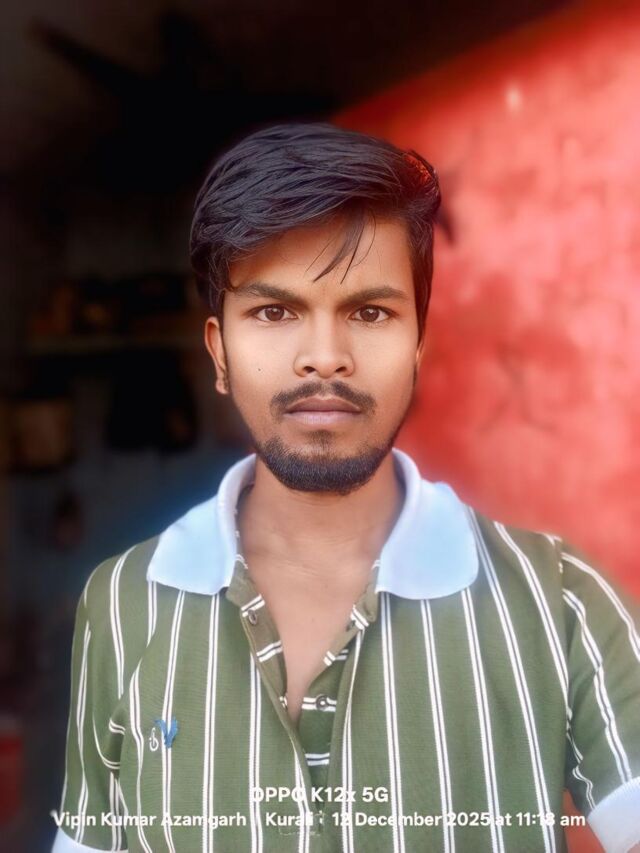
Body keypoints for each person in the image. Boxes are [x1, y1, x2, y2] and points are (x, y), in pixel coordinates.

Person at [51, 123, 640, 853]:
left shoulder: (560, 601)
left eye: (369, 312)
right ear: (219, 353)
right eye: (274, 312)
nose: (324, 358)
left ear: (418, 345)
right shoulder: (122, 601)